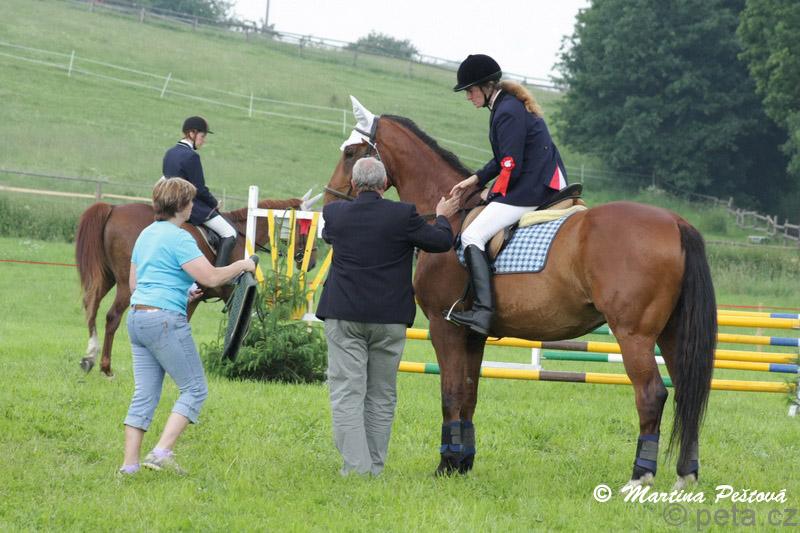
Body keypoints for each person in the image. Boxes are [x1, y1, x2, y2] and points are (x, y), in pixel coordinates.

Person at [316, 157, 459, 476]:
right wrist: (443, 216)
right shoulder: (403, 215)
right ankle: (374, 467)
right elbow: (440, 242)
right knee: (381, 395)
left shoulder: (335, 213)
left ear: (353, 184)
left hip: (344, 315)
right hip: (389, 318)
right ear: (384, 185)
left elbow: (329, 236)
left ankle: (357, 469)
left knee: (347, 392)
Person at [119, 177, 256, 475]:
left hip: (137, 318)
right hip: (164, 321)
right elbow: (211, 278)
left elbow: (135, 285)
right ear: (181, 205)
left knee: (144, 393)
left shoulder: (145, 235)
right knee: (195, 389)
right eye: (191, 201)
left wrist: (182, 294)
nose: (193, 206)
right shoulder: (180, 238)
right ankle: (161, 453)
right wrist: (243, 265)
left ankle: (129, 466)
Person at [447, 54, 568, 336]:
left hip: (531, 188)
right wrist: (476, 179)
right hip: (538, 179)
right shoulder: (507, 106)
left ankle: (483, 312)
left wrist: (491, 193)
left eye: (470, 90)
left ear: (486, 86)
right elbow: (504, 157)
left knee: (471, 236)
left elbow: (511, 165)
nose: (468, 96)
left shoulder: (506, 112)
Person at [163, 116, 237, 268]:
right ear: (192, 134)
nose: (204, 141)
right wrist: (214, 203)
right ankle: (219, 274)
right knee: (229, 232)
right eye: (202, 136)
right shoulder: (191, 156)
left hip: (169, 205)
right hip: (191, 208)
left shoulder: (169, 153)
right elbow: (199, 189)